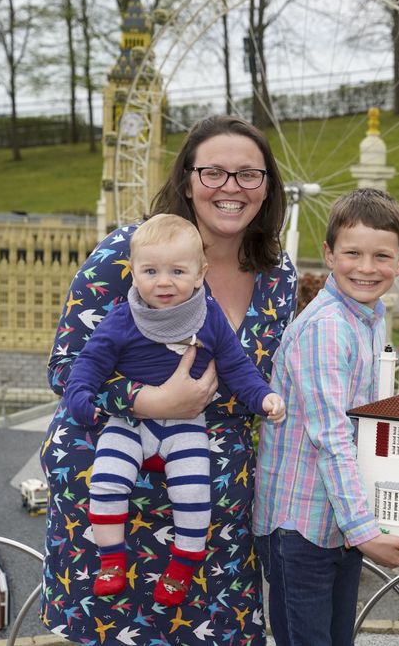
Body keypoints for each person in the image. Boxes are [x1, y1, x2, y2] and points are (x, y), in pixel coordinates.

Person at [40, 115, 295, 644]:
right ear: (186, 180)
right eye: (214, 173)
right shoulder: (126, 255)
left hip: (209, 522)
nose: (231, 188)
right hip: (113, 511)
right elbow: (67, 368)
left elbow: (262, 380)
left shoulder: (277, 275)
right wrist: (149, 401)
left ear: (267, 187)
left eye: (249, 175)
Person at [62, 214, 285, 605]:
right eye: (150, 271)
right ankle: (111, 559)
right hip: (129, 422)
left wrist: (263, 398)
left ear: (201, 274)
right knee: (106, 480)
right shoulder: (123, 318)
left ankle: (183, 564)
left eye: (177, 271)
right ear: (133, 273)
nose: (163, 282)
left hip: (185, 425)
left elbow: (236, 367)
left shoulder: (209, 317)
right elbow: (88, 364)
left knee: (195, 493)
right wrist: (81, 400)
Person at [253, 188, 399, 646]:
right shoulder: (328, 328)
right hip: (300, 524)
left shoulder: (368, 317)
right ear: (329, 254)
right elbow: (330, 436)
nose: (366, 268)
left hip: (338, 523)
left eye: (381, 256)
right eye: (353, 253)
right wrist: (366, 531)